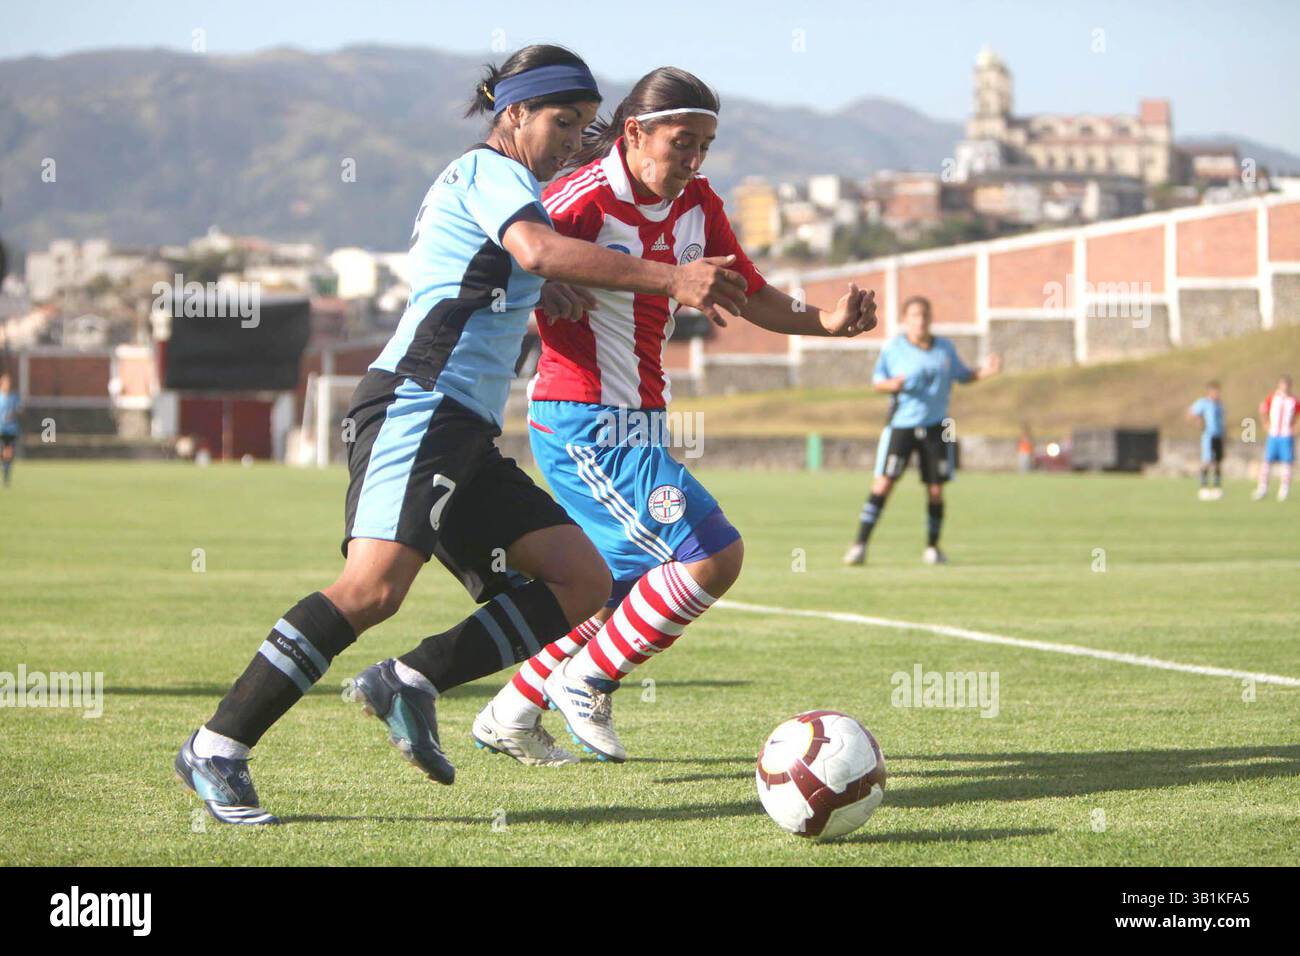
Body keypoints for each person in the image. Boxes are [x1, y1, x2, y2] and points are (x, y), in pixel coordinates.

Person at [173, 45, 750, 825]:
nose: (575, 139)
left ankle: (410, 681)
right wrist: (665, 276)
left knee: (578, 579)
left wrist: (558, 279)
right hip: (419, 404)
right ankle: (218, 745)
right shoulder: (489, 173)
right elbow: (533, 249)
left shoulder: (515, 186)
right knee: (373, 589)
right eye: (564, 123)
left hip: (466, 429)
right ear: (513, 115)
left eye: (585, 125)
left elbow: (521, 262)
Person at [469, 66, 877, 766]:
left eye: (705, 147)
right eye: (682, 142)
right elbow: (497, 261)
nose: (692, 161)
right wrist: (542, 286)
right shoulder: (580, 199)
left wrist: (828, 323)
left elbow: (748, 292)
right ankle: (589, 681)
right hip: (581, 420)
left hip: (641, 420)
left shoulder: (698, 204)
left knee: (614, 589)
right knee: (714, 555)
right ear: (635, 133)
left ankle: (509, 713)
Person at [843, 295, 999, 567]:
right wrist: (893, 385)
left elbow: (963, 376)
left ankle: (933, 547)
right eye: (914, 315)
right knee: (883, 484)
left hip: (937, 428)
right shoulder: (894, 349)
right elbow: (878, 383)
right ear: (905, 320)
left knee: (936, 490)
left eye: (925, 315)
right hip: (901, 426)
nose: (921, 320)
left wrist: (984, 372)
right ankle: (859, 545)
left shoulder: (944, 350)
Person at [1253, 374, 1296, 502]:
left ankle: (1284, 490)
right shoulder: (1272, 398)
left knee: (1286, 463)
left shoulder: (1293, 400)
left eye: (1287, 385)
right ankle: (1262, 488)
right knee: (1267, 462)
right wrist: (1265, 423)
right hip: (1273, 435)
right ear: (1279, 385)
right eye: (1283, 384)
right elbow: (1263, 410)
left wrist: (1295, 429)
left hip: (1286, 435)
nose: (1285, 387)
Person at [1187, 381, 1225, 500]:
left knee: (1218, 462)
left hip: (1218, 436)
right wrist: (1198, 421)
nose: (1217, 394)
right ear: (1209, 392)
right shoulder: (1203, 403)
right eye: (1214, 391)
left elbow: (1221, 422)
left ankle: (1217, 487)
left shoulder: (1219, 405)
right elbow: (1191, 412)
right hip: (1208, 436)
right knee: (1207, 461)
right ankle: (1203, 487)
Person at [0, 373, 18, 487]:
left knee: (8, 453)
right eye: (5, 382)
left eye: (9, 383)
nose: (7, 385)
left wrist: (13, 414)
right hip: (0, 428)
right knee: (2, 452)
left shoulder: (14, 397)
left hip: (10, 429)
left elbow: (19, 409)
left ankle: (6, 475)